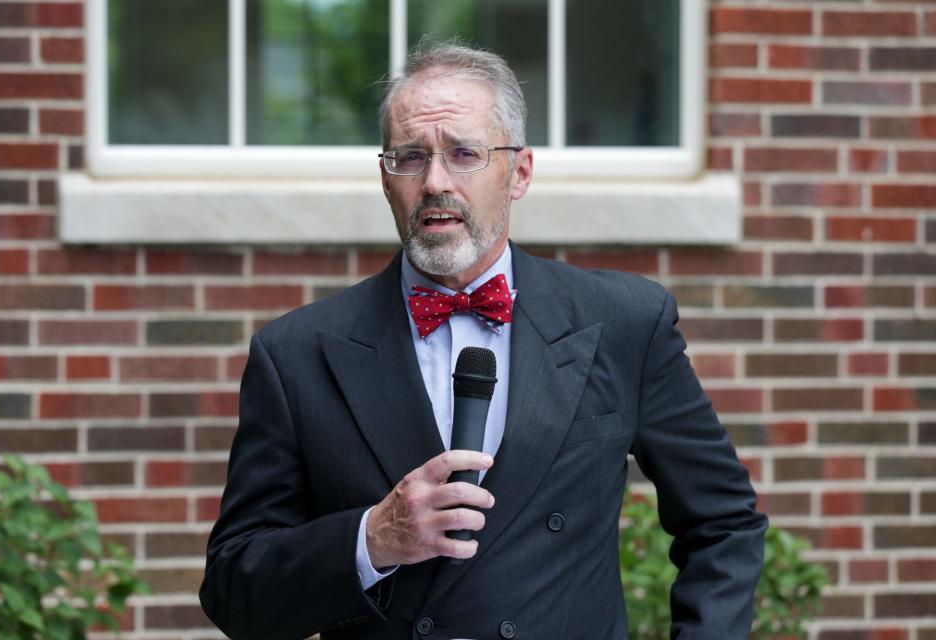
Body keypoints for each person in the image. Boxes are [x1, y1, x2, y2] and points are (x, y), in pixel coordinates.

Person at [199, 41, 767, 640]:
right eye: (410, 157)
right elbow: (235, 590)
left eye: (464, 153)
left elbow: (723, 524)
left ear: (519, 172)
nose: (435, 181)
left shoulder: (625, 321)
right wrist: (371, 539)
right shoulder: (296, 355)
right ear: (385, 177)